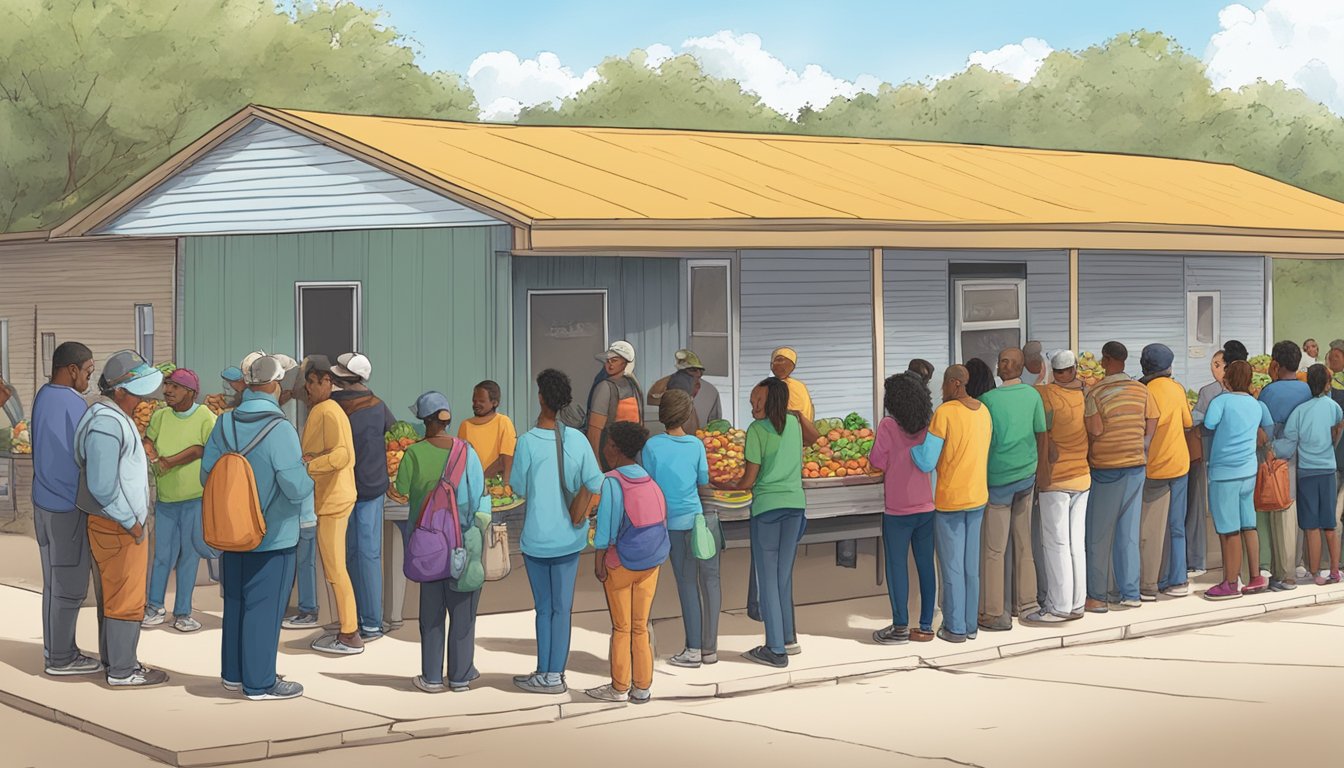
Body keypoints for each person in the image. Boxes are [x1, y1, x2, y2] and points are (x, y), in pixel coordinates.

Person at [202, 355, 314, 700]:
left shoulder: (224, 423)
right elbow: (295, 487)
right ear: (275, 386)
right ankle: (260, 682)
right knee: (264, 609)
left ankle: (233, 674)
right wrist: (307, 476)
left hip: (231, 532)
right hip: (272, 534)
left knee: (235, 602)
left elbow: (207, 474)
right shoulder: (280, 429)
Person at [75, 350, 167, 687]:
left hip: (117, 523)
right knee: (126, 599)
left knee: (115, 597)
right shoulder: (106, 422)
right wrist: (132, 522)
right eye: (138, 391)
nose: (143, 399)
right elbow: (101, 484)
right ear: (121, 392)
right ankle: (123, 670)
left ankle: (115, 661)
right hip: (117, 525)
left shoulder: (109, 416)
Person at [511, 369, 604, 694]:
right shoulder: (577, 440)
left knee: (544, 609)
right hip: (569, 538)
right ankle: (555, 675)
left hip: (536, 539)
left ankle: (543, 671)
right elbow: (596, 482)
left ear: (540, 398)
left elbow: (518, 487)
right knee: (563, 609)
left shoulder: (525, 442)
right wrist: (582, 505)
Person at [717, 378, 821, 667]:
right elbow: (816, 438)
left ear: (774, 400)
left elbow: (749, 480)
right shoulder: (794, 425)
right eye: (751, 401)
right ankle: (788, 638)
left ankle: (775, 650)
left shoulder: (756, 431)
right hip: (795, 507)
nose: (753, 406)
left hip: (767, 510)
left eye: (758, 400)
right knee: (782, 577)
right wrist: (798, 415)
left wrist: (722, 484)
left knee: (768, 581)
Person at [393, 392, 490, 693]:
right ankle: (460, 676)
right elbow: (479, 498)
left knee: (432, 614)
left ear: (425, 421)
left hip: (428, 546)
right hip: (462, 543)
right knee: (463, 613)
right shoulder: (467, 452)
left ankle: (432, 677)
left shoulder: (414, 454)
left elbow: (402, 489)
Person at [587, 421, 669, 704]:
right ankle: (642, 686)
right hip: (651, 561)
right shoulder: (649, 481)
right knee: (640, 625)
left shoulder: (612, 482)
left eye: (608, 444)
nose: (605, 448)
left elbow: (607, 529)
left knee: (621, 628)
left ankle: (619, 686)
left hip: (620, 562)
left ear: (615, 448)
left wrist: (599, 560)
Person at [30, 341, 99, 677]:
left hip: (43, 503)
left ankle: (55, 648)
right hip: (67, 504)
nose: (89, 379)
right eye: (87, 372)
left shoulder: (43, 396)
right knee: (69, 584)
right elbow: (87, 457)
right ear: (72, 370)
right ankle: (61, 658)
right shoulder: (75, 405)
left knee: (52, 581)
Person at [912, 365, 993, 643]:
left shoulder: (944, 413)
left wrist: (910, 446)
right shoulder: (983, 411)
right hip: (978, 497)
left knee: (952, 566)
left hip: (951, 500)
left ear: (956, 384)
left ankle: (955, 627)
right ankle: (971, 625)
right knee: (971, 565)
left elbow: (926, 461)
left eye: (945, 384)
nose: (941, 390)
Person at [642, 390, 720, 667]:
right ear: (687, 415)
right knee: (709, 582)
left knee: (687, 585)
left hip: (670, 524)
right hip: (699, 521)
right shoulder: (696, 445)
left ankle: (693, 649)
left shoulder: (651, 447)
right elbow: (703, 480)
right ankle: (709, 650)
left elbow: (648, 484)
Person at [1083, 341, 1158, 613]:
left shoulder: (1095, 392)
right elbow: (1153, 419)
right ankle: (1130, 593)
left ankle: (1097, 597)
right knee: (1128, 532)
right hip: (1136, 466)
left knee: (1098, 536)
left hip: (1106, 468)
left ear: (1105, 360)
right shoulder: (1141, 390)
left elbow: (1095, 429)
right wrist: (1144, 443)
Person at [142, 368, 216, 633]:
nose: (167, 391)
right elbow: (148, 441)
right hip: (166, 500)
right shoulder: (161, 416)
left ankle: (183, 612)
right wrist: (151, 452)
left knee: (189, 556)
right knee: (162, 556)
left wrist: (170, 461)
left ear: (191, 392)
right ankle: (154, 607)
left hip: (194, 499)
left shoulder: (205, 416)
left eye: (174, 387)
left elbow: (207, 450)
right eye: (166, 385)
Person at [329, 352, 396, 642]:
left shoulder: (331, 407)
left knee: (347, 556)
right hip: (372, 488)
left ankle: (352, 619)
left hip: (340, 490)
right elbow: (394, 435)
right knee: (369, 554)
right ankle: (372, 622)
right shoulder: (378, 406)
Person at [978, 347, 1046, 632]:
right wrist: (1040, 471)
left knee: (995, 549)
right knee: (1024, 542)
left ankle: (996, 612)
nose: (1001, 364)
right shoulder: (1033, 395)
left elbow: (982, 442)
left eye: (1004, 361)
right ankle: (1027, 605)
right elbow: (1041, 433)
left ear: (1009, 367)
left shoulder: (987, 401)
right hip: (1026, 477)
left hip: (997, 480)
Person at [868, 373, 937, 644]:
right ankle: (926, 625)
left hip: (897, 509)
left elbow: (877, 460)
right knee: (925, 566)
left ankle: (899, 627)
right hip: (926, 506)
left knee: (897, 567)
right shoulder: (926, 425)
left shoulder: (887, 425)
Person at [300, 357, 362, 655]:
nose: (309, 387)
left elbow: (342, 456)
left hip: (334, 499)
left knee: (336, 569)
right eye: (308, 382)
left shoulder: (328, 411)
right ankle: (346, 629)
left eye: (314, 382)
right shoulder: (326, 410)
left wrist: (310, 465)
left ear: (328, 382)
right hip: (333, 497)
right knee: (335, 568)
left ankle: (350, 633)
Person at [1024, 350, 1090, 624]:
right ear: (1074, 368)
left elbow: (1042, 431)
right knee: (1077, 543)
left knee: (1056, 543)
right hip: (1083, 477)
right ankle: (1077, 603)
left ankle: (1058, 606)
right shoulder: (1085, 394)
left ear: (1054, 370)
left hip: (1056, 479)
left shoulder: (1046, 394)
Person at [1201, 360, 1273, 599]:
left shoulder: (1221, 401)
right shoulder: (1256, 404)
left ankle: (1230, 583)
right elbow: (1268, 428)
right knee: (1248, 525)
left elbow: (1209, 423)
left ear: (1227, 379)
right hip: (1248, 470)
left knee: (1228, 529)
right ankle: (1255, 577)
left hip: (1224, 472)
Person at [1273, 365, 1344, 586]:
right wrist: (1331, 443)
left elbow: (1289, 440)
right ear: (1326, 384)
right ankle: (1334, 569)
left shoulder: (1300, 411)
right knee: (1329, 523)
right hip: (1328, 470)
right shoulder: (1333, 406)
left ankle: (1315, 573)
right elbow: (1338, 427)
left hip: (1306, 472)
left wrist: (1270, 449)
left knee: (1311, 525)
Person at [1138, 344, 1193, 600]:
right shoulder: (1177, 389)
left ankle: (1152, 580)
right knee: (1176, 525)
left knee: (1151, 528)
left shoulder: (1144, 391)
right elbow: (1188, 422)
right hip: (1180, 464)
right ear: (1168, 367)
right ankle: (1179, 579)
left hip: (1154, 467)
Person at [1257, 340, 1311, 591]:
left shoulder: (1269, 392)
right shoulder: (1307, 390)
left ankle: (1280, 570)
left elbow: (1266, 429)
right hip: (1306, 456)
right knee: (1297, 513)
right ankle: (1297, 562)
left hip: (1278, 457)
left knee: (1278, 512)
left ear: (1275, 364)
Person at [282, 355, 325, 631]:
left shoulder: (318, 416)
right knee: (300, 563)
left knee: (301, 563)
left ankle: (308, 610)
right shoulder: (301, 417)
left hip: (302, 512)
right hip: (300, 512)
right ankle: (303, 608)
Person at [1188, 349, 1227, 578]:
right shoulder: (1247, 394)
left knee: (1204, 506)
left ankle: (1201, 559)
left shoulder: (1207, 392)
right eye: (1213, 364)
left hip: (1209, 453)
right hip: (1231, 459)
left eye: (1218, 364)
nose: (1214, 368)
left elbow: (1196, 418)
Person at [587, 341, 644, 470]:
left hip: (631, 457)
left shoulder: (633, 385)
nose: (610, 364)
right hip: (610, 457)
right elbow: (594, 431)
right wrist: (596, 464)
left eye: (615, 360)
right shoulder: (604, 387)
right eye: (608, 360)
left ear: (625, 362)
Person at [647, 349, 723, 432]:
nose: (684, 378)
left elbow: (715, 425)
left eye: (692, 371)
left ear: (700, 372)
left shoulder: (710, 391)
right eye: (682, 373)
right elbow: (652, 405)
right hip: (669, 439)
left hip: (698, 441)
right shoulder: (663, 385)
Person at [459, 380, 518, 486]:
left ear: (494, 402)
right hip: (471, 487)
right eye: (474, 401)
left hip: (496, 487)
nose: (476, 404)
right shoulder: (465, 425)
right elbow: (461, 461)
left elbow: (505, 460)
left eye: (481, 401)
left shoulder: (503, 422)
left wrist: (482, 480)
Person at [770, 347, 815, 424]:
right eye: (779, 360)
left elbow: (806, 413)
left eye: (788, 363)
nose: (782, 365)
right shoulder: (768, 386)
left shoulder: (799, 386)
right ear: (771, 365)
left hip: (798, 428)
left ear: (792, 367)